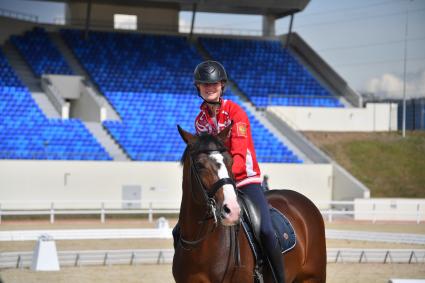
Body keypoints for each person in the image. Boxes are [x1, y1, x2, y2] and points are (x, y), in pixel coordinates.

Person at [192, 60, 285, 283]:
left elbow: (240, 155)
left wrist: (227, 178)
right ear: (198, 88)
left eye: (213, 84)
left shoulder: (236, 113)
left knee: (265, 230)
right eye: (204, 84)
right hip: (219, 185)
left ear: (222, 86)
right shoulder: (200, 121)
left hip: (245, 180)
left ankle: (278, 278)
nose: (209, 88)